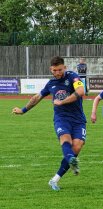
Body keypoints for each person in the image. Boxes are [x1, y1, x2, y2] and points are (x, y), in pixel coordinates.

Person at [12, 56, 86, 191]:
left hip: (78, 119)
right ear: (51, 69)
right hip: (61, 118)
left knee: (77, 146)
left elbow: (81, 91)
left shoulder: (72, 77)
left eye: (60, 70)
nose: (57, 73)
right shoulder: (51, 84)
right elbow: (36, 98)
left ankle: (54, 179)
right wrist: (22, 110)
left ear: (65, 67)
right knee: (66, 139)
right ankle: (71, 161)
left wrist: (62, 102)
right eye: (54, 70)